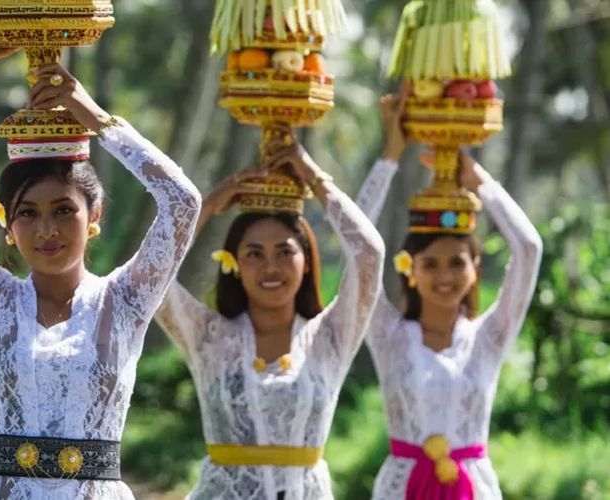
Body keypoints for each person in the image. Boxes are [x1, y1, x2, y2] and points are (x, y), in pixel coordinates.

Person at [0, 1, 201, 498]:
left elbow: (183, 202)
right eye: (27, 213)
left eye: (64, 210)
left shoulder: (125, 301)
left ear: (93, 218)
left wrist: (97, 119)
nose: (46, 229)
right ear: (8, 226)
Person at [154, 135, 386, 499]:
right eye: (254, 254)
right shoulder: (207, 335)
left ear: (306, 260)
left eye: (284, 252)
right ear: (233, 263)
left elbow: (369, 254)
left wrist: (313, 176)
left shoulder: (330, 336)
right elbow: (151, 276)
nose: (270, 267)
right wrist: (210, 203)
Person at [357, 95, 543, 499]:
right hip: (400, 487)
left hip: (473, 488)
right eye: (431, 264)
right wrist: (390, 157)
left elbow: (528, 249)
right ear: (410, 268)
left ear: (476, 267)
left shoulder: (488, 337)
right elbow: (357, 243)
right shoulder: (388, 335)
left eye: (457, 263)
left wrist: (480, 182)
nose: (445, 276)